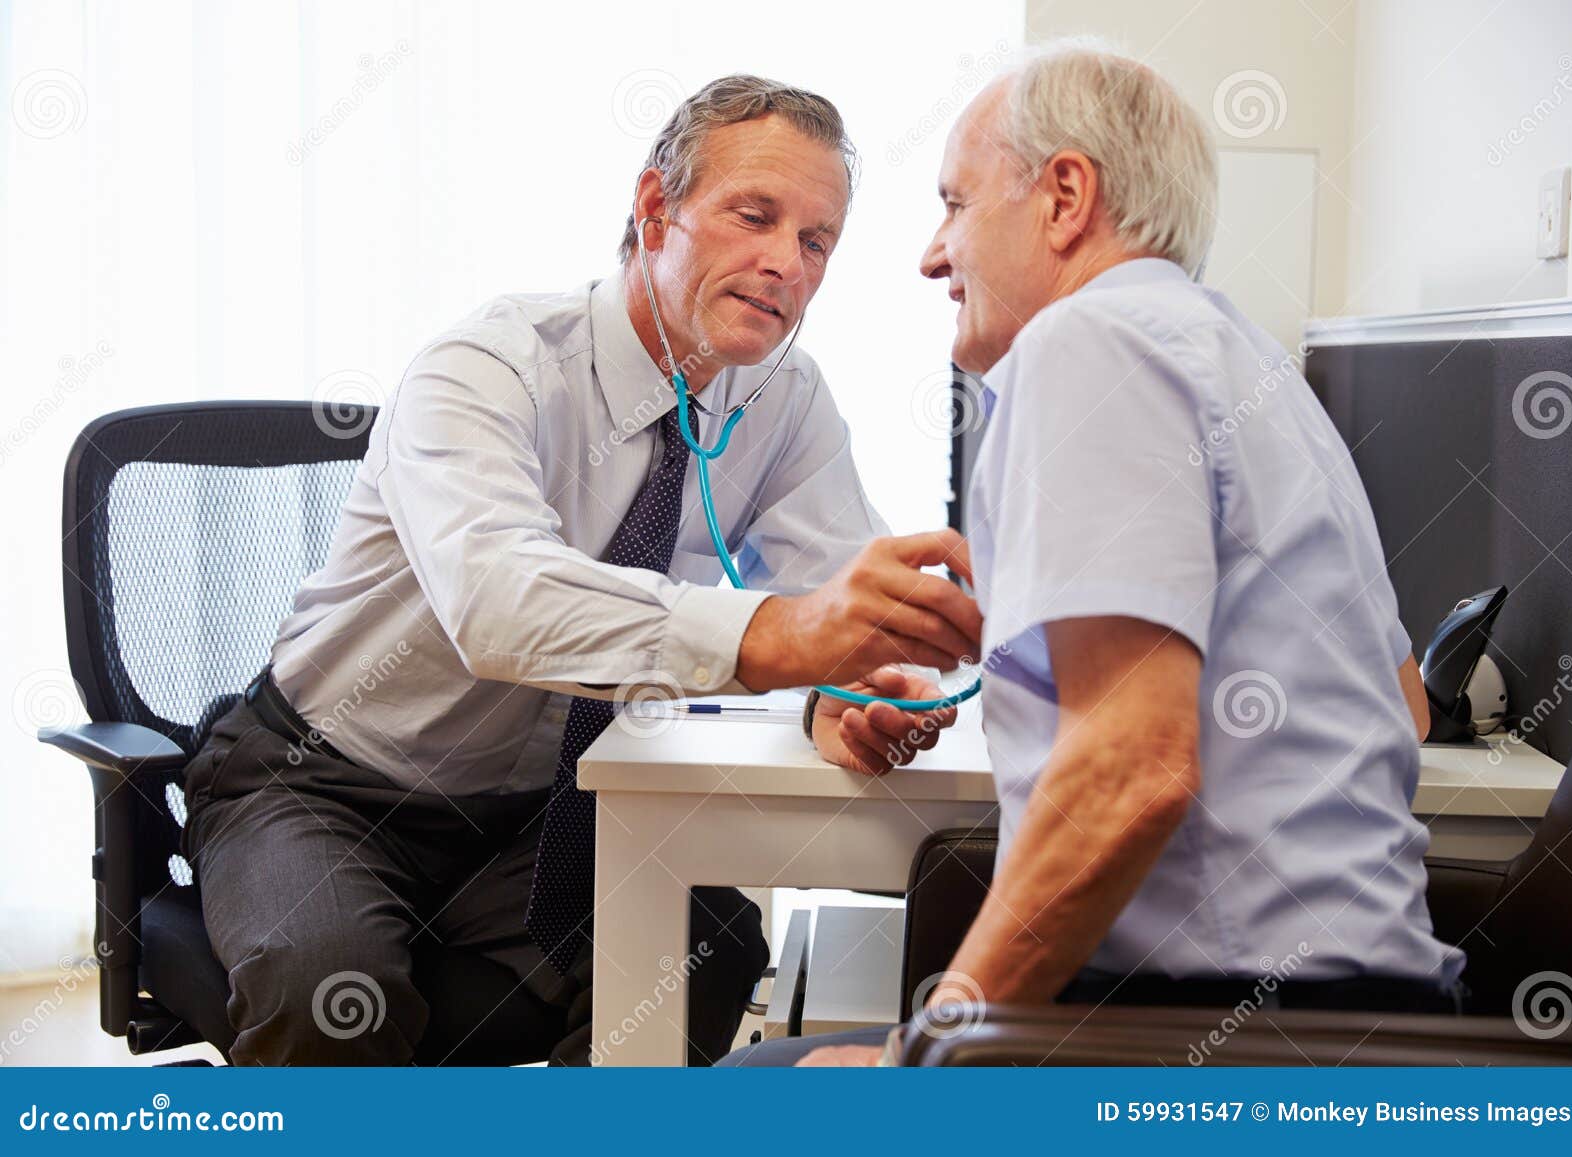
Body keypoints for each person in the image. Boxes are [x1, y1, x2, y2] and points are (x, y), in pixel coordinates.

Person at [181, 74, 978, 1067]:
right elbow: (499, 599)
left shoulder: (782, 398)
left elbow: (837, 592)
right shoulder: (491, 365)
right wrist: (778, 636)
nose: (786, 263)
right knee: (334, 989)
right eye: (754, 215)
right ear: (655, 208)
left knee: (707, 946)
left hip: (537, 812)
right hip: (327, 782)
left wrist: (853, 685)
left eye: (816, 241)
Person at [723, 40, 1459, 1068]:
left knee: (751, 1080)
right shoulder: (1250, 363)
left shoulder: (1088, 344)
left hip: (1223, 1034)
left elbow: (1134, 771)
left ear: (1065, 196)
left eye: (955, 204)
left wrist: (918, 1062)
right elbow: (1407, 707)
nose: (933, 255)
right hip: (1371, 1012)